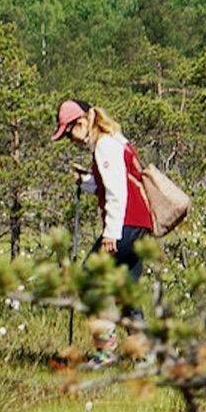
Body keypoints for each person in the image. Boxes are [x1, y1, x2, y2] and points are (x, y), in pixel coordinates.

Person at [54, 99, 155, 365]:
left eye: (70, 131)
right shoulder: (116, 141)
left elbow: (116, 193)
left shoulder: (104, 145)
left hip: (124, 225)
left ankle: (106, 350)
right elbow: (110, 184)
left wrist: (111, 233)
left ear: (83, 122)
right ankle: (145, 354)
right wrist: (86, 181)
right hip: (141, 225)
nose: (70, 138)